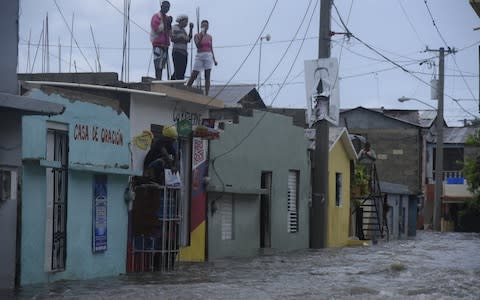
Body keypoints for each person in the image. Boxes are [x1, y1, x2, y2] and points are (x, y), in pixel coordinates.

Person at [186, 20, 218, 96]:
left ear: (208, 27)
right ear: (201, 26)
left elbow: (211, 48)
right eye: (203, 25)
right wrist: (202, 36)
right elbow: (198, 45)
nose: (205, 27)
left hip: (208, 55)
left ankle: (207, 94)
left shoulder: (210, 37)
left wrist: (214, 59)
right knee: (194, 74)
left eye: (206, 25)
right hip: (200, 55)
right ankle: (187, 89)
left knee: (207, 76)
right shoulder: (197, 35)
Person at [150, 1, 173, 80]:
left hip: (165, 44)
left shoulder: (167, 18)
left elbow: (170, 33)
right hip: (157, 44)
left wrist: (169, 24)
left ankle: (160, 79)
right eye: (165, 7)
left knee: (162, 64)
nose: (166, 9)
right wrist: (166, 23)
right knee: (157, 64)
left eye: (168, 7)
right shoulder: (156, 16)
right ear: (161, 6)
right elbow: (156, 28)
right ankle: (158, 79)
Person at [170, 14, 193, 80]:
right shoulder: (174, 27)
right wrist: (181, 37)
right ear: (181, 21)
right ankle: (174, 82)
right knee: (178, 69)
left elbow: (188, 39)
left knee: (182, 70)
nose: (186, 23)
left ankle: (177, 82)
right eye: (185, 21)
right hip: (177, 51)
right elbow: (172, 38)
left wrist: (191, 29)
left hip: (184, 52)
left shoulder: (184, 31)